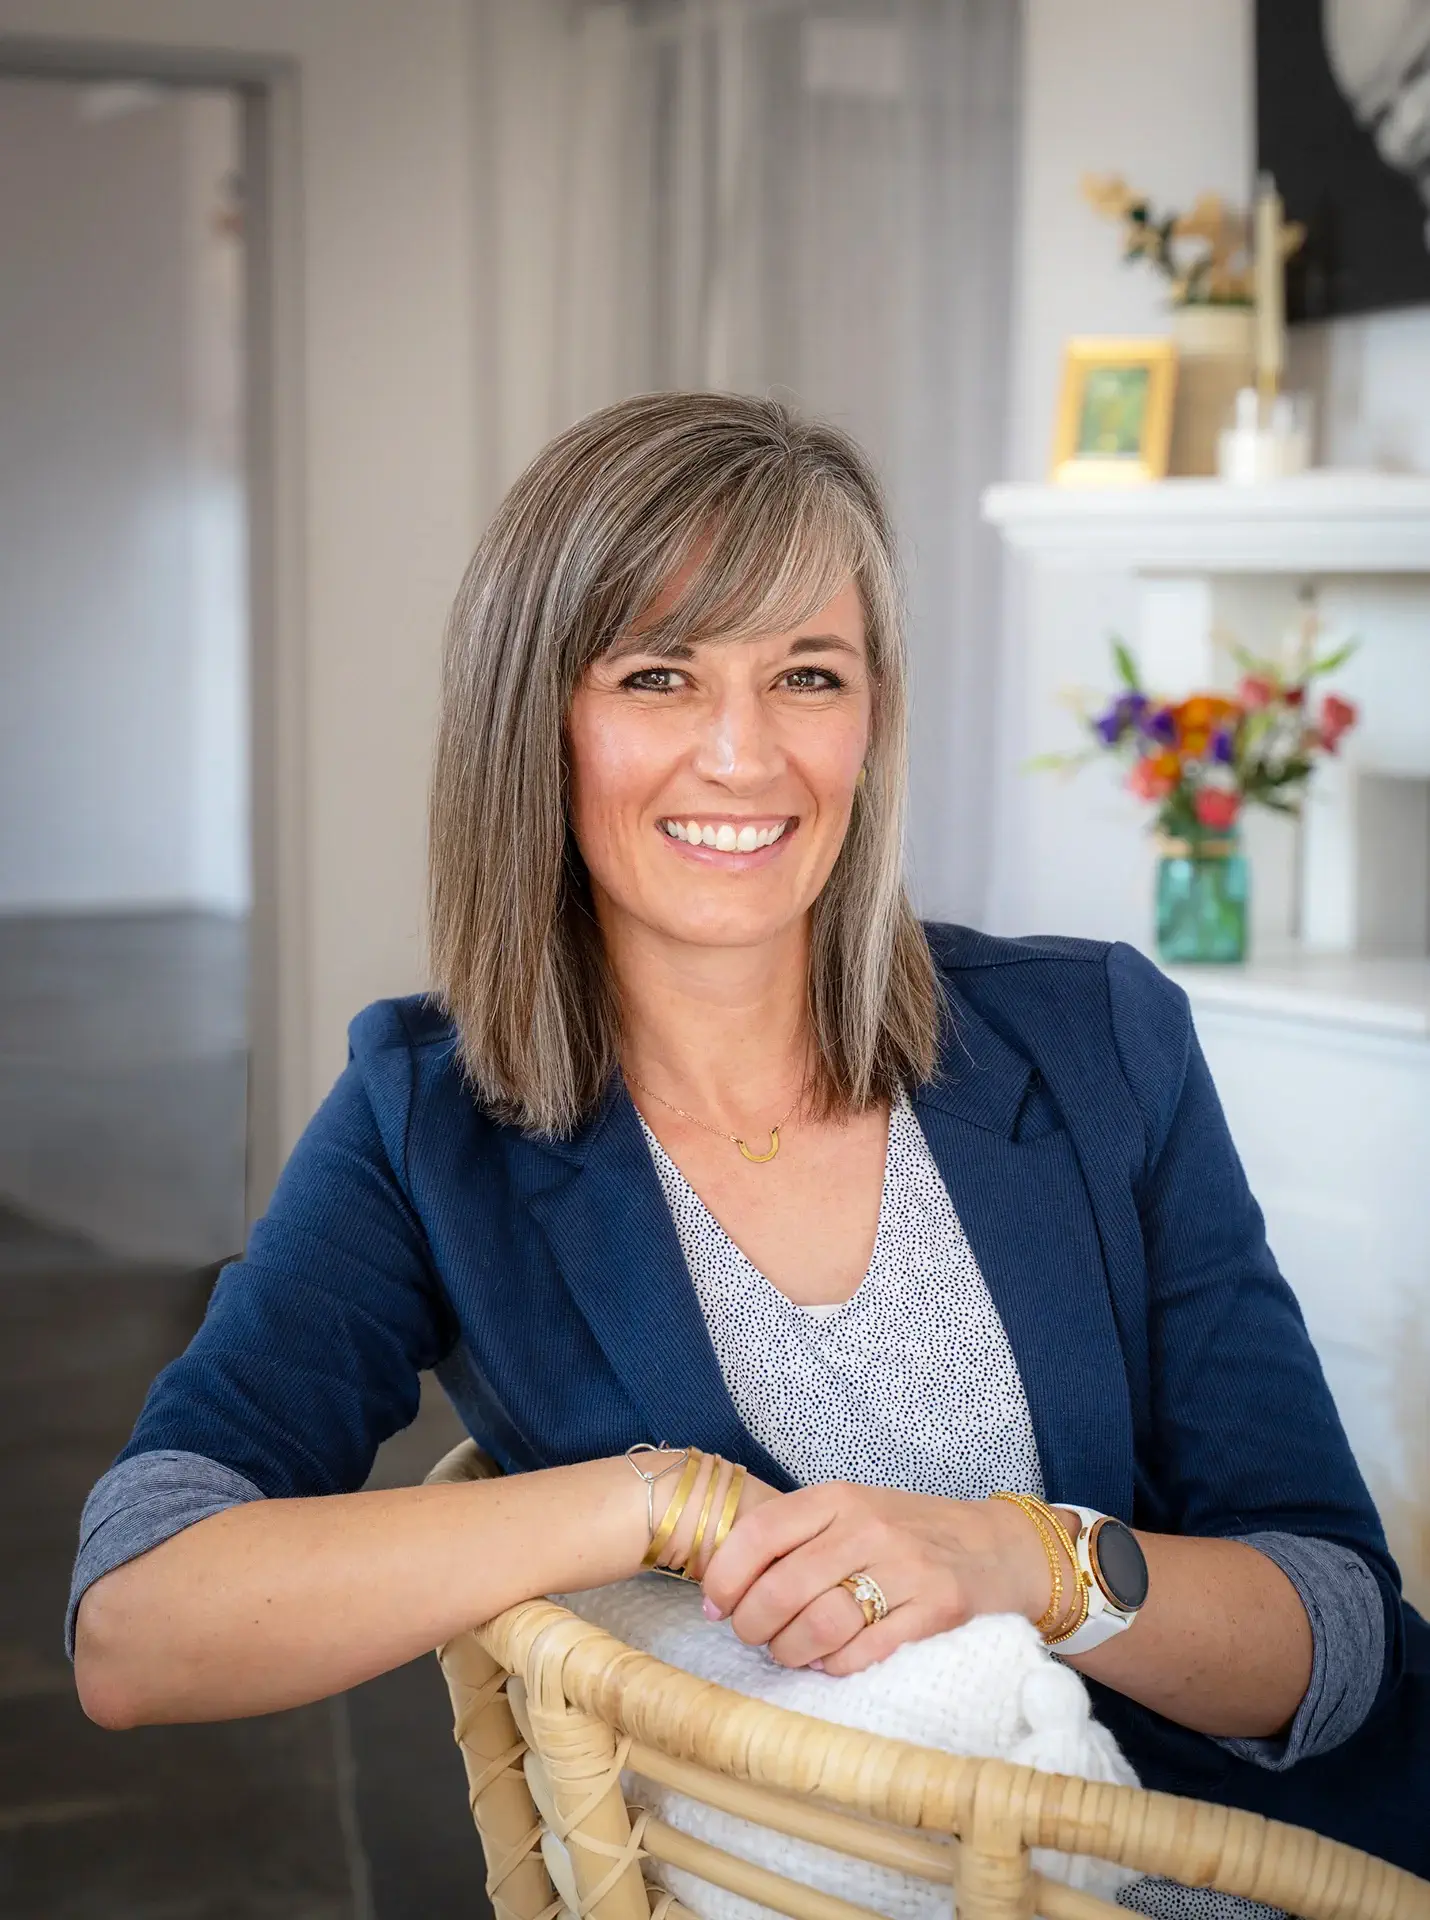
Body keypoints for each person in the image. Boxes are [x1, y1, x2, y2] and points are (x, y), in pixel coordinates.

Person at [70, 393, 1426, 1877]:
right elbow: (140, 1628)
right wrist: (653, 1501)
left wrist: (1021, 1560)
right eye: (658, 676)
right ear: (539, 721)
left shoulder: (1097, 1041)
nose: (743, 754)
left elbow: (1340, 1639)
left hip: (1250, 1876)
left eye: (807, 675)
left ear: (870, 719)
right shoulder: (428, 1122)